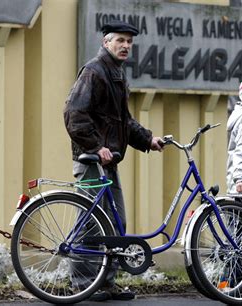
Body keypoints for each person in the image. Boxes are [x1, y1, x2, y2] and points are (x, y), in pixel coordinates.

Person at [63, 20, 163, 302]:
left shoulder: (115, 74)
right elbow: (74, 114)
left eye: (129, 42)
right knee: (91, 223)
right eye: (120, 40)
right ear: (107, 42)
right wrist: (96, 146)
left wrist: (148, 140)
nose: (126, 46)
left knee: (116, 222)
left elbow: (123, 122)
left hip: (108, 162)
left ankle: (105, 283)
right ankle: (82, 284)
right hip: (92, 161)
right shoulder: (94, 71)